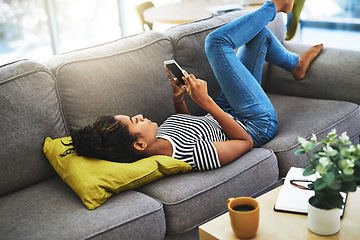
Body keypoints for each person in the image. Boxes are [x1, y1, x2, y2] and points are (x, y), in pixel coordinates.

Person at [63, 0, 323, 171]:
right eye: (135, 121)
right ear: (140, 144)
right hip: (255, 124)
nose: (140, 115)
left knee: (260, 36)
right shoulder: (190, 156)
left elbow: (192, 126)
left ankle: (296, 65)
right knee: (216, 43)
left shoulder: (159, 136)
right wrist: (205, 102)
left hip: (226, 110)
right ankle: (276, 5)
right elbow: (244, 142)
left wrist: (179, 99)